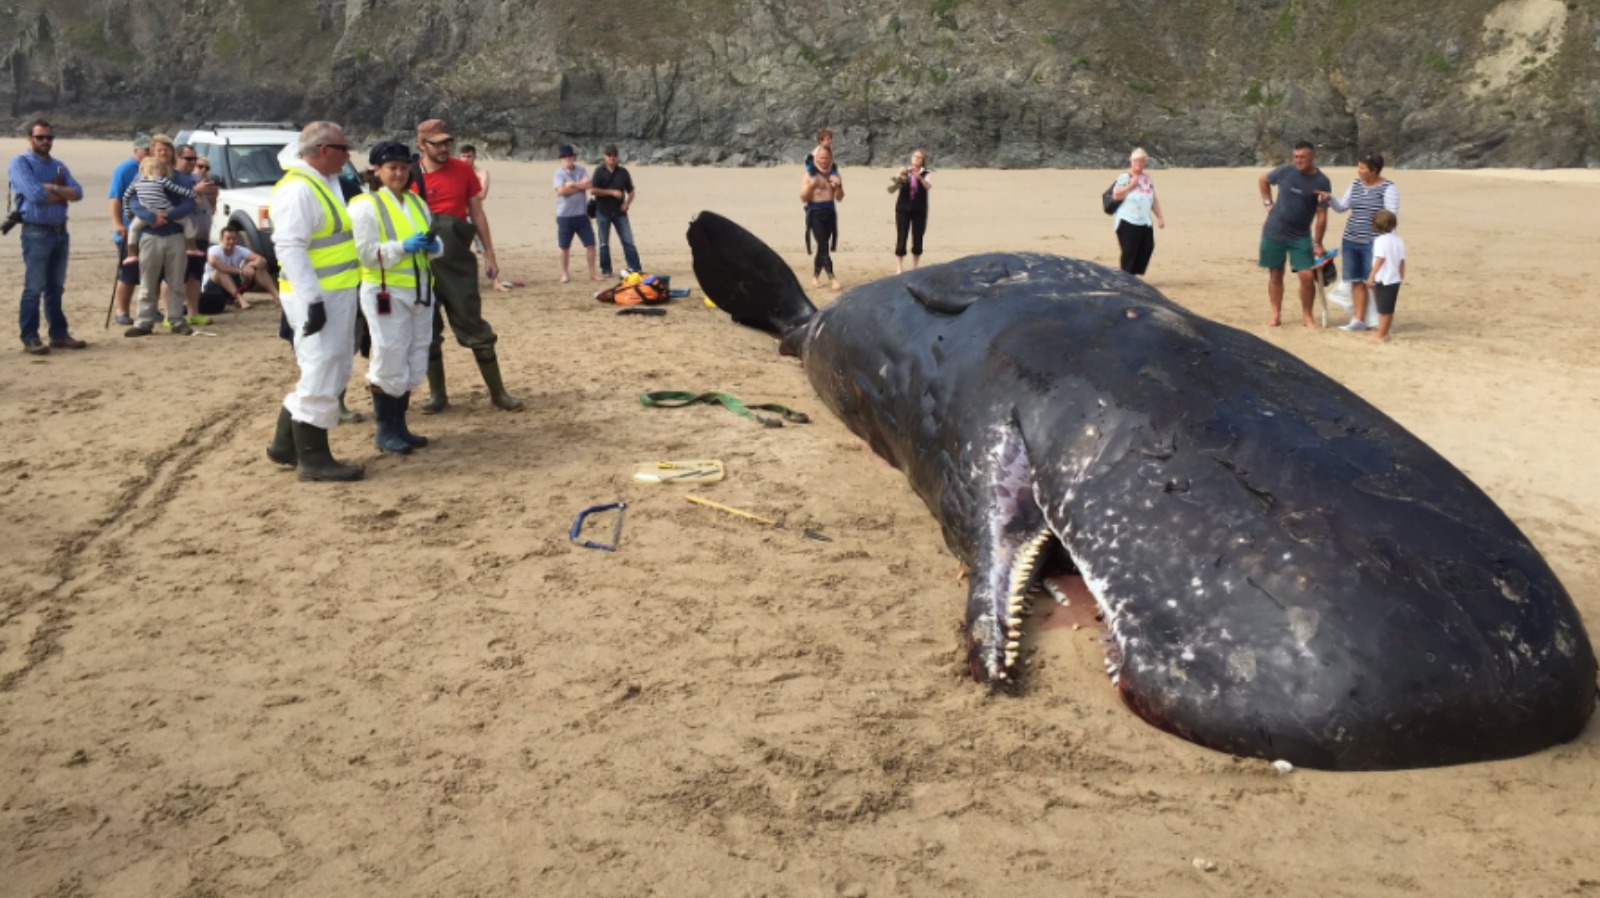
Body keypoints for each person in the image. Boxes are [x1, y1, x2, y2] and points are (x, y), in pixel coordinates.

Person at [261, 121, 364, 482]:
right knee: (321, 368)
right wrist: (312, 301)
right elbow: (290, 248)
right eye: (342, 149)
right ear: (322, 151)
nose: (348, 156)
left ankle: (284, 445)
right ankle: (313, 457)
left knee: (330, 366)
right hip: (316, 295)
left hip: (336, 290)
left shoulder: (325, 183)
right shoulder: (299, 190)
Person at [413, 118, 521, 412]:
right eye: (437, 144)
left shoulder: (463, 171)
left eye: (448, 142)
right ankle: (438, 395)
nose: (445, 148)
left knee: (473, 323)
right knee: (428, 329)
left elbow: (477, 213)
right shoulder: (410, 175)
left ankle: (498, 393)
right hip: (421, 263)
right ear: (421, 145)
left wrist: (489, 253)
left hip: (458, 259)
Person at [351, 141, 442, 454]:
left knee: (416, 356)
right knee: (389, 355)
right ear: (377, 170)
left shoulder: (416, 203)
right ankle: (385, 430)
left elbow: (434, 240)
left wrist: (433, 246)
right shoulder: (366, 205)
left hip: (419, 289)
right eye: (392, 168)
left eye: (404, 167)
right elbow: (364, 254)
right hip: (385, 290)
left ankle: (400, 425)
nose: (399, 173)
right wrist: (403, 247)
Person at [8, 118, 87, 354]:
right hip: (36, 231)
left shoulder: (58, 166)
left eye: (49, 137)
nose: (45, 141)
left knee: (55, 287)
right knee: (33, 288)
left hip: (60, 232)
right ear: (30, 138)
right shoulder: (20, 163)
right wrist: (62, 193)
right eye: (40, 137)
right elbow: (34, 195)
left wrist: (52, 188)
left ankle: (59, 334)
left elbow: (79, 193)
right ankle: (30, 336)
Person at [123, 134, 199, 336]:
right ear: (152, 152)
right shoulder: (141, 176)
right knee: (147, 281)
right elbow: (132, 201)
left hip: (175, 234)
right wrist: (151, 217)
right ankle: (143, 322)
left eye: (167, 149)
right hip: (150, 234)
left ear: (172, 153)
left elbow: (189, 203)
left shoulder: (181, 178)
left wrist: (169, 215)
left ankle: (176, 320)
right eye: (159, 150)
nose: (163, 153)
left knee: (176, 281)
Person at [1323, 150, 1400, 332]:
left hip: (1374, 242)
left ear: (1374, 170)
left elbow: (1391, 217)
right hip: (1350, 239)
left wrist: (1390, 244)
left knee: (1374, 282)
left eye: (1363, 168)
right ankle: (1359, 319)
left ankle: (1383, 322)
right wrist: (1329, 199)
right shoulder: (1356, 184)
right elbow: (1342, 207)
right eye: (1359, 167)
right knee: (1355, 280)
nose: (1359, 171)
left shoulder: (1389, 188)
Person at [1257, 140, 1331, 328]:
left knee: (1306, 276)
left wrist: (1318, 242)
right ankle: (1275, 315)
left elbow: (1322, 215)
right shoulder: (1284, 171)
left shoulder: (1322, 181)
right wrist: (1267, 202)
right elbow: (1263, 180)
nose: (1298, 160)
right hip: (1274, 230)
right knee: (1275, 273)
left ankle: (1308, 316)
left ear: (1313, 157)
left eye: (1303, 157)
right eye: (1296, 157)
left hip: (1300, 235)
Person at [119, 155, 202, 267]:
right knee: (186, 222)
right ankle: (191, 247)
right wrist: (194, 195)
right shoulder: (160, 180)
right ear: (154, 169)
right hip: (164, 209)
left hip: (148, 212)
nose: (163, 171)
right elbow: (178, 190)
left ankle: (132, 254)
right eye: (160, 169)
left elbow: (126, 197)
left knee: (133, 229)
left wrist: (128, 213)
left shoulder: (136, 182)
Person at [109, 134, 151, 326]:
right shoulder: (125, 169)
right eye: (146, 150)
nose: (149, 153)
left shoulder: (154, 168)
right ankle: (122, 311)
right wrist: (118, 224)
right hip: (130, 230)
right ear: (137, 150)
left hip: (151, 230)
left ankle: (150, 310)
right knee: (128, 273)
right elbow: (115, 198)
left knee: (151, 273)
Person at [1110, 147, 1166, 276]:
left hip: (1144, 220)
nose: (1139, 164)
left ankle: (1133, 274)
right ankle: (1126, 276)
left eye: (1141, 162)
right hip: (1127, 220)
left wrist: (1160, 217)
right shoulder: (1125, 177)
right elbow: (1116, 195)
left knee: (1147, 247)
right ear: (1131, 161)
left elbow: (1153, 199)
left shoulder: (1147, 178)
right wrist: (1131, 185)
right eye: (1136, 161)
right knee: (1129, 251)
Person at [200, 223, 278, 312]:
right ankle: (241, 300)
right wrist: (240, 271)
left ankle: (277, 297)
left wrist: (251, 266)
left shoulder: (239, 249)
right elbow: (213, 262)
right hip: (212, 289)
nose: (231, 242)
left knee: (259, 268)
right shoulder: (214, 250)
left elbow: (261, 260)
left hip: (233, 286)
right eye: (228, 239)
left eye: (234, 239)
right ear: (221, 239)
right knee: (220, 272)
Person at [590, 145, 641, 277]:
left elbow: (631, 191)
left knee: (628, 241)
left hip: (620, 212)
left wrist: (627, 203)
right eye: (609, 155)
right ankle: (606, 269)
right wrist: (611, 192)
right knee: (603, 243)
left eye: (614, 155)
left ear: (618, 157)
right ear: (604, 157)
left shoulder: (623, 172)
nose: (612, 158)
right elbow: (593, 190)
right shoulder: (599, 171)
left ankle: (635, 267)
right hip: (602, 211)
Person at [801, 145, 844, 290]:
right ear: (815, 159)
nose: (824, 160)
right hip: (815, 214)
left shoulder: (835, 175)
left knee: (821, 247)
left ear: (831, 159)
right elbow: (803, 197)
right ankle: (832, 278)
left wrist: (837, 186)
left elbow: (840, 198)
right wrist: (811, 187)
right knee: (824, 246)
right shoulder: (810, 175)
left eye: (826, 158)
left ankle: (815, 276)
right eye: (821, 158)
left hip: (830, 214)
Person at [553, 144, 598, 283]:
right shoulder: (559, 173)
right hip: (564, 216)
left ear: (574, 157)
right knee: (564, 247)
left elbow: (589, 185)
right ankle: (565, 274)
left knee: (590, 244)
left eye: (569, 156)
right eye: (565, 157)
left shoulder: (581, 169)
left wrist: (572, 184)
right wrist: (579, 187)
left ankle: (592, 273)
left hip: (581, 214)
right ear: (561, 159)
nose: (567, 159)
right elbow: (561, 191)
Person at [1364, 210, 1406, 343]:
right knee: (1388, 307)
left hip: (1385, 278)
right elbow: (1401, 260)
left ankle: (1381, 334)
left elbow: (1380, 259)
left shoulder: (1380, 241)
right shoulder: (1398, 240)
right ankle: (1384, 332)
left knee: (1383, 309)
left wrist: (1372, 275)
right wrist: (1401, 274)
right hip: (1394, 278)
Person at [890, 148, 932, 274]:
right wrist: (899, 174)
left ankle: (915, 266)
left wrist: (919, 177)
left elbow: (928, 187)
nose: (916, 159)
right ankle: (899, 267)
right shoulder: (905, 171)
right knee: (902, 236)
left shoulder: (926, 173)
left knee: (918, 237)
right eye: (915, 156)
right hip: (903, 208)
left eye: (919, 157)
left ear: (923, 160)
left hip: (919, 209)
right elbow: (893, 188)